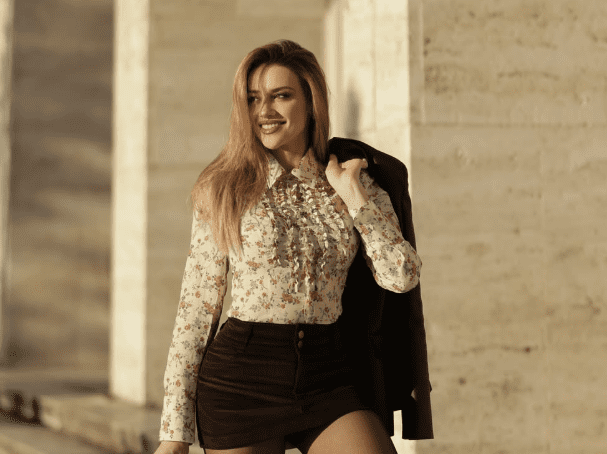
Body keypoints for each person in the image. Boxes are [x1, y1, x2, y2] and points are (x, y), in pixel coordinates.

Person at [154, 39, 422, 454]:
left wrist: (354, 197)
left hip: (329, 372)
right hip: (240, 381)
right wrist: (174, 433)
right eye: (253, 99)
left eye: (281, 95)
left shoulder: (355, 181)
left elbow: (401, 277)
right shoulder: (224, 187)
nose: (265, 111)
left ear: (311, 101)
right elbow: (196, 309)